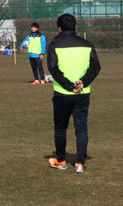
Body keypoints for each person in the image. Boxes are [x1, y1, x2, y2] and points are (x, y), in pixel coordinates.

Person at [46, 14, 101, 173]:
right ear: (75, 26)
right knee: (81, 129)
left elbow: (54, 69)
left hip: (63, 94)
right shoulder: (87, 44)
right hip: (83, 93)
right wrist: (83, 82)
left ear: (59, 28)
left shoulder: (54, 44)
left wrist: (70, 86)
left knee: (60, 128)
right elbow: (96, 67)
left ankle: (61, 160)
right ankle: (80, 164)